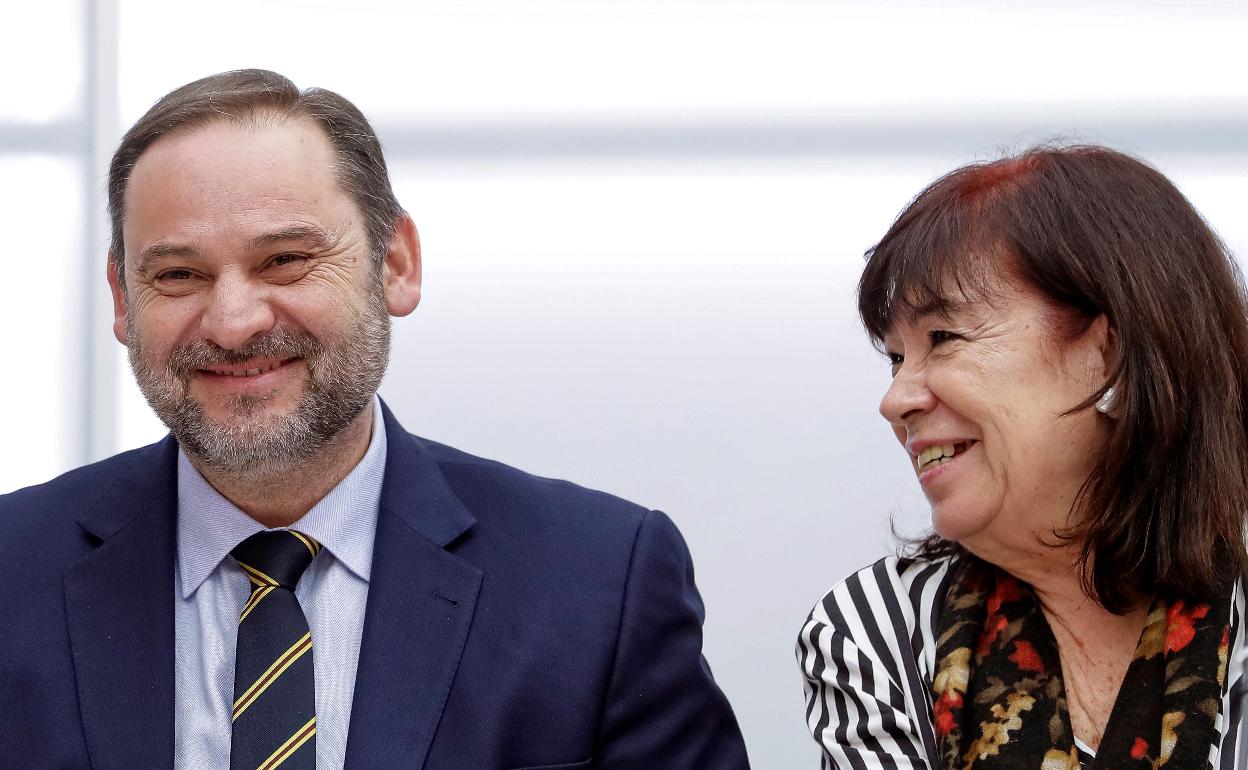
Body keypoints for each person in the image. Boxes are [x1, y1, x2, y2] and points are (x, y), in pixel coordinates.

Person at [0, 69, 749, 769]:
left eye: (286, 259)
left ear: (395, 264)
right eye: (177, 275)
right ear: (124, 300)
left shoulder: (598, 585)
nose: (231, 323)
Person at [797, 145, 1248, 768]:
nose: (895, 400)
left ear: (1109, 350)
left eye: (944, 338)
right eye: (896, 357)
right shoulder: (875, 633)